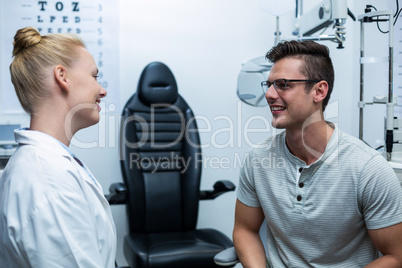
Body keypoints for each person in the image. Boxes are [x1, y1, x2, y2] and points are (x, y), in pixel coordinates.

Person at [233, 40, 402, 267]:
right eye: (269, 84)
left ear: (319, 91)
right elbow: (245, 230)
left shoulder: (368, 169)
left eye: (283, 85)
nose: (269, 95)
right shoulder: (258, 160)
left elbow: (395, 256)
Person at [0, 27, 116, 267]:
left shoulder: (47, 165)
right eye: (94, 76)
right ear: (62, 77)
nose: (102, 90)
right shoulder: (49, 180)